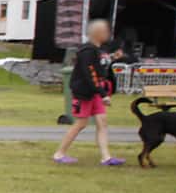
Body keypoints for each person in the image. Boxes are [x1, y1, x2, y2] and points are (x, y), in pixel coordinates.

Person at [53, 18, 124, 166]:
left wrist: (112, 58)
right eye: (105, 31)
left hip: (94, 92)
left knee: (102, 122)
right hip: (84, 92)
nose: (108, 34)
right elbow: (89, 74)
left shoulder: (97, 51)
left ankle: (106, 157)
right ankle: (59, 154)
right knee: (81, 123)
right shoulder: (87, 51)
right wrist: (103, 94)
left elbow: (98, 67)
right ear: (98, 33)